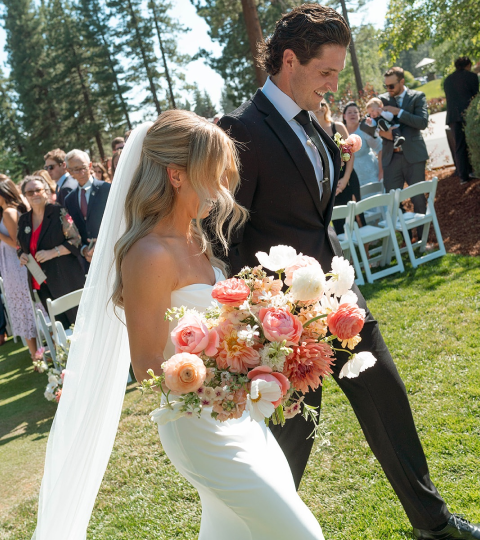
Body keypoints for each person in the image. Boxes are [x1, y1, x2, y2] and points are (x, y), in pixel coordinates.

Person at [218, 4, 480, 539]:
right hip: (283, 325)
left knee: (387, 397)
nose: (334, 85)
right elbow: (227, 234)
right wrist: (256, 319)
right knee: (292, 439)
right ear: (289, 60)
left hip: (338, 300)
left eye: (338, 73)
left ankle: (433, 523)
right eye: (326, 73)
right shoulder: (242, 130)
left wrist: (338, 163)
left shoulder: (313, 120)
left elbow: (309, 209)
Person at [30, 113, 325, 540]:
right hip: (199, 426)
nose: (224, 190)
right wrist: (228, 383)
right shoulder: (148, 253)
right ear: (176, 175)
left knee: (234, 531)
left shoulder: (195, 241)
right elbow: (148, 362)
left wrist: (262, 346)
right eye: (214, 175)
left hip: (237, 415)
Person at [17, 175, 85, 328]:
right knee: (61, 327)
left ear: (46, 191)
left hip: (65, 277)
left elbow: (76, 240)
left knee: (79, 323)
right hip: (41, 282)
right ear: (25, 196)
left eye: (38, 190)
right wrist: (21, 255)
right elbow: (19, 246)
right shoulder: (23, 220)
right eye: (30, 192)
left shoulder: (58, 212)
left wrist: (53, 252)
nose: (34, 194)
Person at [379, 66, 428, 237]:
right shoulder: (381, 100)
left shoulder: (417, 97)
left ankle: (423, 240)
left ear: (402, 82)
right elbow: (373, 125)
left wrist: (398, 112)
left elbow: (422, 122)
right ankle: (405, 239)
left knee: (418, 199)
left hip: (413, 156)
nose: (388, 90)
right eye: (386, 86)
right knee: (393, 202)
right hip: (391, 158)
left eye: (391, 86)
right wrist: (383, 132)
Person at [313, 99, 365, 234]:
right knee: (340, 222)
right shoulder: (311, 132)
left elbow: (351, 154)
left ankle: (366, 254)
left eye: (322, 104)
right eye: (317, 104)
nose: (319, 107)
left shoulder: (338, 126)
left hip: (348, 179)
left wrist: (345, 179)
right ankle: (349, 255)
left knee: (358, 217)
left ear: (327, 107)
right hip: (331, 183)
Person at [0, 177, 38, 359]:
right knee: (27, 305)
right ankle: (39, 352)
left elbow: (16, 243)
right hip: (16, 264)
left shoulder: (8, 212)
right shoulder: (15, 207)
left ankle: (35, 354)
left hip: (16, 266)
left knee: (23, 306)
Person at [64, 149, 110, 269]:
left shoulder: (107, 189)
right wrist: (84, 249)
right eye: (75, 169)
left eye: (83, 167)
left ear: (90, 166)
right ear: (69, 171)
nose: (81, 172)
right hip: (90, 261)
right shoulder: (69, 199)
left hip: (111, 252)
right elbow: (73, 231)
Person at [444, 56, 479, 185]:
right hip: (467, 114)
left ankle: (463, 176)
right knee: (473, 143)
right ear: (468, 65)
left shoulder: (448, 80)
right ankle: (475, 169)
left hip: (453, 116)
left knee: (459, 146)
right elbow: (475, 95)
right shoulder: (472, 77)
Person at [343, 101, 383, 186]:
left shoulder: (364, 129)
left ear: (359, 115)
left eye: (355, 112)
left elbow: (380, 148)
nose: (352, 114)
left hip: (371, 174)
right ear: (344, 116)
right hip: (352, 178)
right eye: (349, 112)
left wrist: (381, 172)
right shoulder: (341, 133)